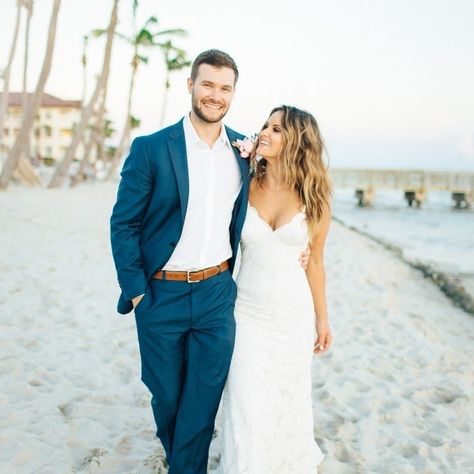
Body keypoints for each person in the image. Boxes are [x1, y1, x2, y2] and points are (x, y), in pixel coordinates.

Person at [110, 51, 309, 473]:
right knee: (165, 395)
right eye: (208, 85)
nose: (215, 96)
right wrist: (137, 290)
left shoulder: (245, 152)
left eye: (224, 88)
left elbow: (285, 189)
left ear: (233, 93)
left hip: (217, 295)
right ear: (191, 86)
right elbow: (123, 223)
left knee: (201, 401)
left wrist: (300, 244)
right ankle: (181, 459)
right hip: (159, 293)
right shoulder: (151, 149)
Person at [218, 105, 333, 473]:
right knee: (246, 404)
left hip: (293, 319)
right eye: (265, 125)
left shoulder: (316, 198)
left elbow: (315, 261)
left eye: (278, 129)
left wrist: (322, 319)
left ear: (298, 141)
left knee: (286, 406)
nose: (265, 132)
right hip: (247, 313)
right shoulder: (243, 183)